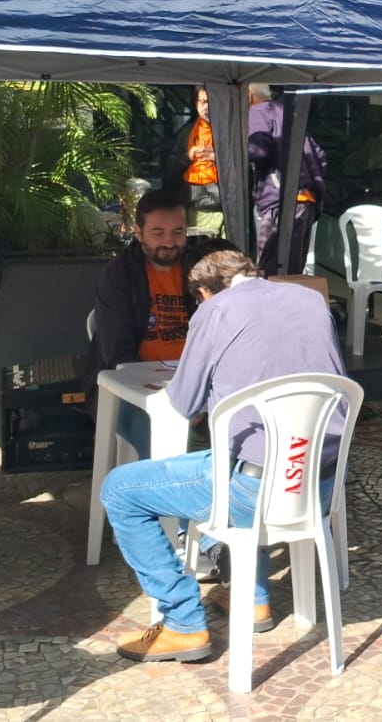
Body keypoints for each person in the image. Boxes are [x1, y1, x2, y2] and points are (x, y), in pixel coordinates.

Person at [102, 249, 347, 662]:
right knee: (249, 451)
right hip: (317, 485)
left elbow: (183, 403)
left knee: (121, 490)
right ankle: (253, 600)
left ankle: (183, 624)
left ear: (203, 291)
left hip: (254, 491)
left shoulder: (214, 310)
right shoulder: (310, 299)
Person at [82, 188, 194, 459]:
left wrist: (195, 391)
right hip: (130, 385)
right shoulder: (118, 275)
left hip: (193, 381)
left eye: (178, 232)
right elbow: (120, 356)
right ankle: (163, 497)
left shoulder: (199, 267)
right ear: (138, 232)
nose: (169, 242)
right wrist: (172, 398)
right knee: (158, 435)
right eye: (158, 233)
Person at [247, 83, 326, 275]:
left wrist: (231, 152)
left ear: (249, 96)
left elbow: (258, 148)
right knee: (293, 272)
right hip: (306, 201)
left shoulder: (257, 112)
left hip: (281, 202)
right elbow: (320, 155)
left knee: (270, 269)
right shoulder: (286, 113)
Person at [183, 86, 223, 236]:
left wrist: (217, 157)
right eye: (203, 102)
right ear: (196, 104)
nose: (207, 107)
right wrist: (190, 155)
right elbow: (173, 164)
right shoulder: (189, 131)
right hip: (200, 208)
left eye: (211, 102)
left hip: (228, 205)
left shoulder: (231, 129)